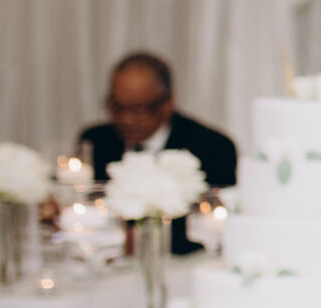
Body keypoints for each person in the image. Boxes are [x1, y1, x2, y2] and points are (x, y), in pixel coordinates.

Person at [78, 52, 236, 255]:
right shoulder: (96, 141)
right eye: (117, 107)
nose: (126, 119)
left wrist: (141, 239)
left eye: (138, 109)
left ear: (167, 103)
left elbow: (215, 225)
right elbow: (85, 208)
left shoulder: (212, 147)